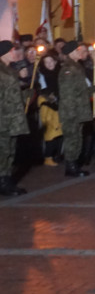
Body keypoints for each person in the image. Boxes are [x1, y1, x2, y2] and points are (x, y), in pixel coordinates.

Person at [56, 41, 92, 177]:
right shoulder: (69, 69)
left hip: (78, 110)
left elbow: (79, 91)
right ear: (72, 52)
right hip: (72, 111)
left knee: (77, 137)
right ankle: (71, 166)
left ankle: (74, 164)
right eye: (80, 50)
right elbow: (67, 93)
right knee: (72, 138)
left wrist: (90, 91)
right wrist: (71, 113)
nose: (84, 53)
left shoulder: (76, 66)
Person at [0, 41, 30, 195]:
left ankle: (6, 179)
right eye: (12, 51)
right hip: (3, 117)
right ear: (4, 53)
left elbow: (13, 91)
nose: (15, 54)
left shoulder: (9, 70)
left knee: (10, 150)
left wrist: (25, 91)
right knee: (3, 151)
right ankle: (3, 181)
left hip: (12, 117)